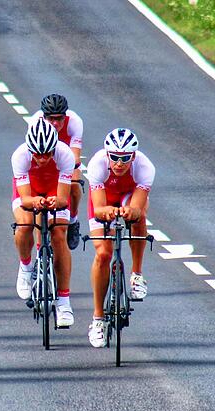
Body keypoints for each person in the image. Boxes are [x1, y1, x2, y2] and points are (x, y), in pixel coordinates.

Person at [84, 128, 155, 348]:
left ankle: (136, 274)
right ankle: (97, 319)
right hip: (104, 199)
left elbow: (137, 204)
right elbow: (98, 209)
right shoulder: (97, 164)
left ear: (133, 156)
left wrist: (129, 212)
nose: (119, 163)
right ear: (107, 155)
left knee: (139, 216)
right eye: (114, 157)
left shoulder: (145, 167)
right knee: (103, 254)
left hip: (127, 197)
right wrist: (108, 212)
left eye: (125, 158)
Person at [11, 117, 75, 328]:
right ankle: (26, 267)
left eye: (47, 153)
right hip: (30, 191)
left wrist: (55, 201)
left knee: (58, 235)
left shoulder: (64, 154)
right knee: (25, 225)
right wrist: (35, 201)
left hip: (55, 189)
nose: (43, 159)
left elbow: (64, 199)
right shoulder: (20, 156)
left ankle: (64, 302)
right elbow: (25, 198)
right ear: (30, 149)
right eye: (37, 154)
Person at [30, 94, 84, 251]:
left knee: (74, 185)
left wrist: (69, 171)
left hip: (66, 159)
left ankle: (73, 220)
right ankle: (41, 250)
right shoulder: (35, 122)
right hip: (45, 158)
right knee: (40, 198)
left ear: (65, 116)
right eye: (51, 118)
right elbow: (34, 149)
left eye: (59, 118)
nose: (55, 123)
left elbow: (75, 154)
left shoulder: (75, 122)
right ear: (43, 116)